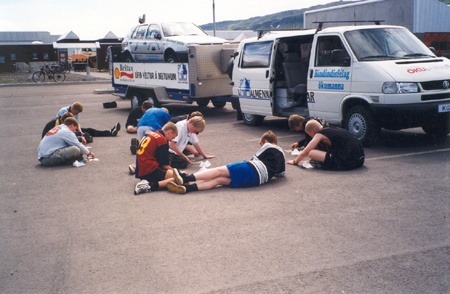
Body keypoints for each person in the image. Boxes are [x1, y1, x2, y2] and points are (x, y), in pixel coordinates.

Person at [166, 130, 285, 194]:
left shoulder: (268, 145)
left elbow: (255, 158)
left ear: (265, 140)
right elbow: (280, 174)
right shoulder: (282, 155)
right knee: (219, 181)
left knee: (218, 171)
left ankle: (186, 179)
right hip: (258, 181)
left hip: (253, 168)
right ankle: (188, 189)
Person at [287, 120, 365, 170]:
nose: (311, 137)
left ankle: (324, 164)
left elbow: (305, 152)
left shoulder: (319, 135)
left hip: (348, 162)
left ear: (313, 131)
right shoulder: (331, 129)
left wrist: (295, 161)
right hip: (360, 159)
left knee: (311, 153)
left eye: (309, 134)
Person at [134, 122, 179, 195]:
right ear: (169, 132)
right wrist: (178, 172)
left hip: (141, 169)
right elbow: (165, 165)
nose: (171, 140)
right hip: (149, 169)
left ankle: (168, 183)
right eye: (172, 137)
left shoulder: (151, 133)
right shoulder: (162, 140)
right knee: (180, 177)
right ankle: (150, 185)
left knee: (177, 178)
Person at [57, 102, 121, 138]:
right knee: (82, 135)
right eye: (76, 112)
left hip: (72, 128)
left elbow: (77, 123)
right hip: (64, 130)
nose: (77, 114)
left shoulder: (75, 112)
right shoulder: (63, 111)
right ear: (72, 108)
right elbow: (60, 124)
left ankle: (110, 132)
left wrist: (80, 131)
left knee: (90, 130)